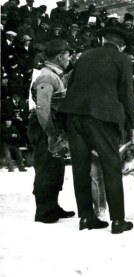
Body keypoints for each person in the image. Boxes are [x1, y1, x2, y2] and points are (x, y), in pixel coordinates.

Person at [59, 26, 134, 234]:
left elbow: (71, 87)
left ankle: (86, 218)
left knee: (80, 168)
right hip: (103, 119)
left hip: (74, 117)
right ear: (121, 45)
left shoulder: (84, 56)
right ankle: (117, 221)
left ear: (103, 39)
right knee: (111, 167)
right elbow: (127, 96)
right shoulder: (122, 59)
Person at [27, 39, 75, 224]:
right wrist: (51, 134)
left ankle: (52, 206)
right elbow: (42, 109)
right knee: (46, 168)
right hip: (44, 127)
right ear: (60, 56)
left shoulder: (55, 74)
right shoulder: (47, 77)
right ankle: (44, 212)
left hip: (50, 126)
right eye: (67, 55)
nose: (69, 58)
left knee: (55, 168)